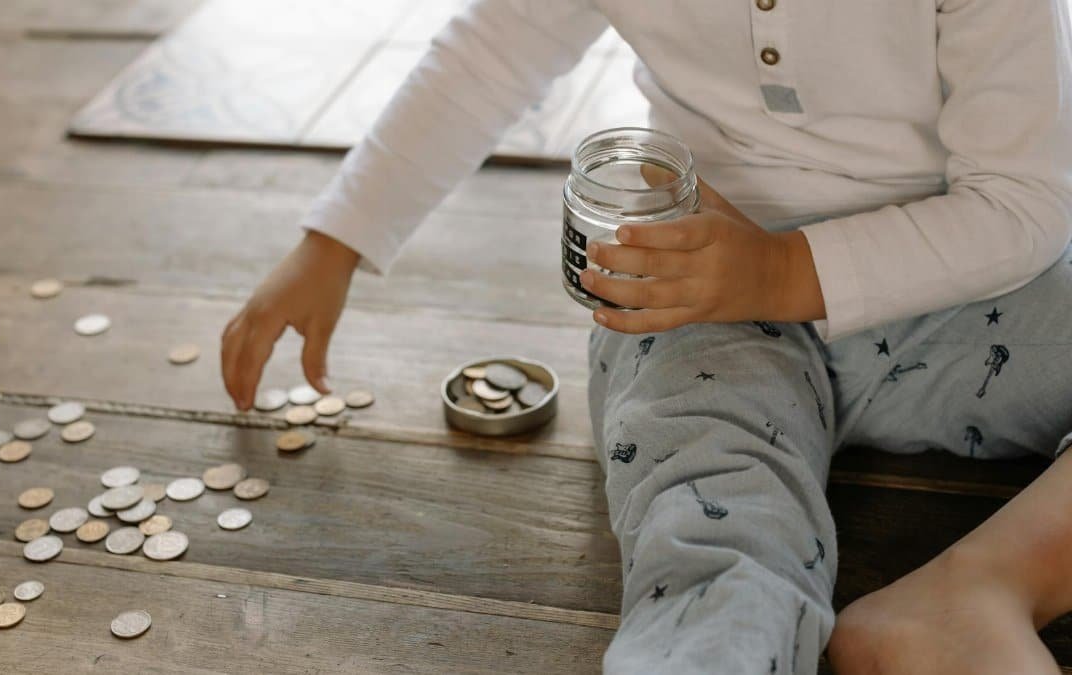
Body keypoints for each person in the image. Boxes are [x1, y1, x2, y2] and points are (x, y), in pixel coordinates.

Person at [221, 1, 1072, 672]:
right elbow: (491, 52)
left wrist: (782, 271)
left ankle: (984, 585)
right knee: (715, 534)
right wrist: (336, 240)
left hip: (959, 293)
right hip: (695, 301)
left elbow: (1023, 206)